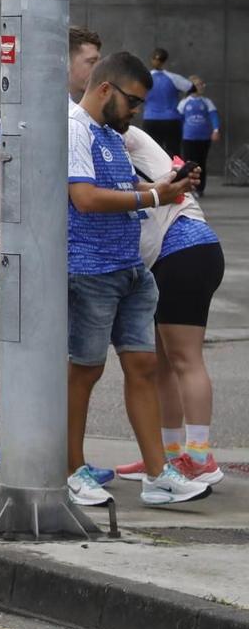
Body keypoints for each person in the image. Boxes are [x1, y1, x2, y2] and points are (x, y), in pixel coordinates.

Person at [63, 52, 208, 508]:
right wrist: (152, 195)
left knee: (142, 367)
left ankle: (157, 474)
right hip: (90, 270)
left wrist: (167, 187)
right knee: (84, 371)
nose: (137, 111)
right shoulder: (74, 128)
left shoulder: (110, 133)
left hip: (130, 269)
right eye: (133, 101)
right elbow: (84, 198)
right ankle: (71, 470)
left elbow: (119, 193)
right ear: (106, 89)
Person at [0, 24, 100, 478]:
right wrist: (14, 224)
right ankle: (3, 444)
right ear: (64, 62)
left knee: (78, 360)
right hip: (30, 257)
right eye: (90, 60)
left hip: (87, 259)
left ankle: (68, 458)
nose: (97, 69)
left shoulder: (98, 118)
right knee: (16, 349)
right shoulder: (20, 110)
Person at [111, 125, 227, 490]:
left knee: (184, 359)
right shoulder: (104, 136)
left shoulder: (120, 133)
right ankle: (169, 453)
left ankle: (199, 457)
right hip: (168, 257)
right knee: (163, 364)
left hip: (184, 249)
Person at [141, 48, 192, 155]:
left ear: (151, 60)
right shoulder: (173, 77)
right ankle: (176, 171)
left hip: (151, 119)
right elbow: (191, 88)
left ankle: (155, 172)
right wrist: (182, 101)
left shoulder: (144, 78)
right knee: (174, 152)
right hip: (171, 119)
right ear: (165, 61)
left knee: (151, 152)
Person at [178, 77, 220, 197]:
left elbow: (214, 116)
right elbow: (179, 120)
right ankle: (188, 187)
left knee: (201, 164)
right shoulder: (184, 103)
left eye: (202, 84)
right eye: (199, 84)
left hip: (204, 139)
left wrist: (216, 130)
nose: (202, 86)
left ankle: (200, 189)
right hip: (188, 138)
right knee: (189, 164)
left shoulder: (207, 102)